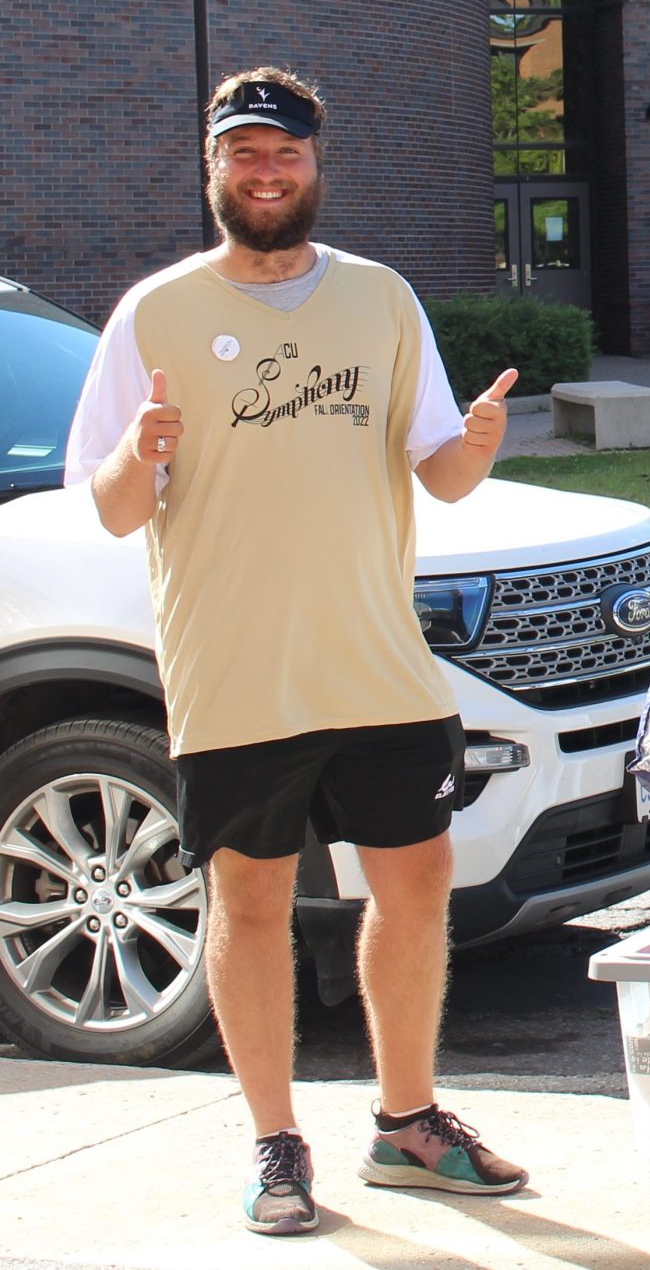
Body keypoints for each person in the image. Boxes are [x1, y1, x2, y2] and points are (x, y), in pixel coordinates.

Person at [63, 68, 527, 1235]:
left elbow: (443, 478)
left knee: (416, 886)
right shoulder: (153, 312)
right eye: (245, 155)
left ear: (318, 166)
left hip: (374, 660)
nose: (266, 174)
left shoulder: (378, 299)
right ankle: (276, 1146)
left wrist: (474, 444)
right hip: (234, 671)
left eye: (286, 155)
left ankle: (408, 1126)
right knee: (252, 903)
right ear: (213, 167)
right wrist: (140, 450)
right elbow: (114, 507)